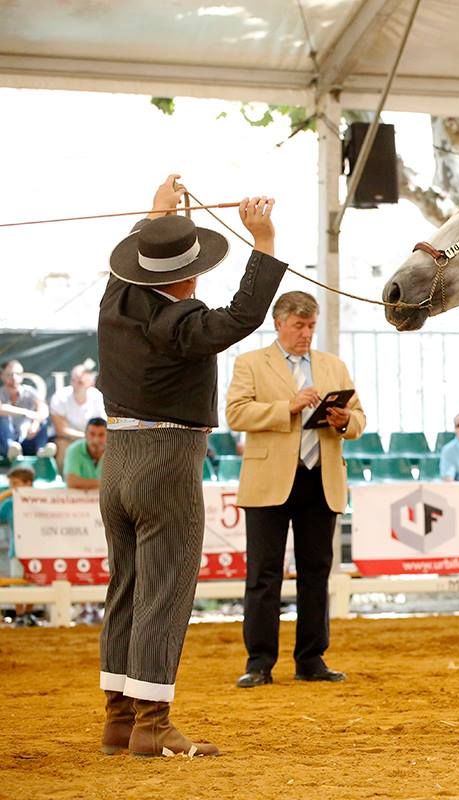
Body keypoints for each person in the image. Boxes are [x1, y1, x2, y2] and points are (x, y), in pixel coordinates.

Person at [96, 174, 285, 758]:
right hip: (167, 460)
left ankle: (120, 719)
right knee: (165, 589)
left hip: (117, 461)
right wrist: (265, 242)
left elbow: (137, 264)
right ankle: (153, 724)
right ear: (189, 273)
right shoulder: (181, 323)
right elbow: (241, 317)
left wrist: (158, 215)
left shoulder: (115, 299)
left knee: (125, 587)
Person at [227, 290, 365, 690]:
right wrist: (287, 406)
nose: (306, 333)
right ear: (279, 324)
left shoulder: (332, 366)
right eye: (299, 326)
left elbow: (359, 419)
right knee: (264, 575)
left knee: (316, 573)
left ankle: (311, 658)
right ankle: (259, 662)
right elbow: (235, 413)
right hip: (270, 481)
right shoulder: (251, 363)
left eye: (311, 326)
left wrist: (341, 420)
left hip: (320, 478)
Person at [49, 362, 105, 473]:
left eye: (81, 381)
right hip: (67, 439)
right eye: (74, 379)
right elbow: (61, 431)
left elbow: (103, 424)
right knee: (63, 445)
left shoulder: (97, 396)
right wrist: (86, 437)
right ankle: (64, 481)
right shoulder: (60, 397)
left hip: (92, 437)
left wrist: (93, 439)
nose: (77, 383)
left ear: (90, 382)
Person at [0, 466, 37, 625]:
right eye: (11, 484)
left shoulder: (39, 501)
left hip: (37, 551)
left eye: (15, 484)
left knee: (34, 582)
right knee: (16, 582)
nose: (12, 488)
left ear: (28, 484)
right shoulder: (8, 504)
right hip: (16, 551)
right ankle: (20, 614)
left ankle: (29, 613)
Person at [1, 360, 51, 459]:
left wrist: (36, 423)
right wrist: (26, 413)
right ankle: (12, 450)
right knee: (2, 418)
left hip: (27, 439)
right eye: (10, 374)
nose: (14, 378)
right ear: (1, 375)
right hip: (4, 444)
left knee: (43, 422)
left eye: (18, 374)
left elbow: (44, 410)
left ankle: (41, 451)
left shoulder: (30, 392)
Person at [63, 417, 107, 490]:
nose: (96, 440)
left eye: (101, 435)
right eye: (92, 434)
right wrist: (106, 484)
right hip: (78, 499)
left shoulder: (115, 452)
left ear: (109, 436)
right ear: (85, 435)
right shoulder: (74, 450)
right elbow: (71, 482)